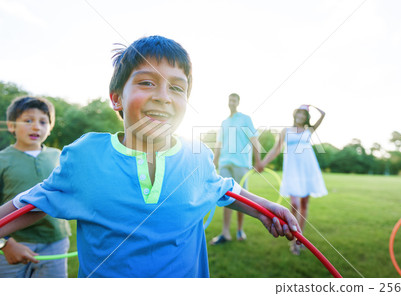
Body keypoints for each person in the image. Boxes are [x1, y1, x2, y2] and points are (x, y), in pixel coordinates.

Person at [0, 35, 300, 278]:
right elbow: (33, 204)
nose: (163, 96)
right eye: (146, 82)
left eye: (177, 87)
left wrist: (263, 207)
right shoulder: (85, 157)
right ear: (116, 97)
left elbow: (224, 188)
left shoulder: (196, 158)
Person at [0, 96, 71, 277]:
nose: (36, 127)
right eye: (28, 120)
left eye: (43, 122)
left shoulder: (60, 156)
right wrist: (5, 243)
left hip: (56, 241)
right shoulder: (2, 160)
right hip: (14, 243)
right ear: (11, 125)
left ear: (50, 127)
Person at [259, 104, 327, 255]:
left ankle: (300, 239)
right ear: (294, 114)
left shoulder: (309, 130)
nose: (301, 116)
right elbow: (276, 150)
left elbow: (323, 114)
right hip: (293, 172)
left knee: (304, 204)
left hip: (308, 170)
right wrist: (263, 163)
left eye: (304, 114)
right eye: (299, 113)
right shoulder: (286, 131)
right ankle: (294, 240)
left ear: (307, 117)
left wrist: (312, 106)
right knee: (294, 204)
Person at [209, 93, 261, 245]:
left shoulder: (245, 119)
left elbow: (254, 139)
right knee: (226, 197)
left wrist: (258, 160)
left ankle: (239, 229)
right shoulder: (224, 122)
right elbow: (219, 144)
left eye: (234, 99)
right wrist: (214, 161)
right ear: (227, 102)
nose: (231, 102)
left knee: (241, 198)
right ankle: (225, 233)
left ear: (238, 102)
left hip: (241, 163)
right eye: (230, 99)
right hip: (225, 163)